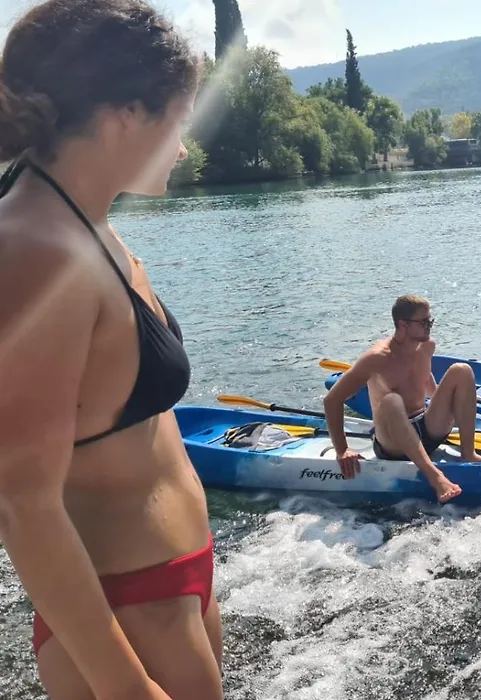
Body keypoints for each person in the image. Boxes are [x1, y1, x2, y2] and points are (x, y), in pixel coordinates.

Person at [0, 2, 222, 699]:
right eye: (178, 119)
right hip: (124, 606)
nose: (182, 147)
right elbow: (20, 499)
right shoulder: (33, 246)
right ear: (126, 112)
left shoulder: (82, 220)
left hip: (169, 583)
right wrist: (126, 688)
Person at [323, 295, 481, 503]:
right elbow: (332, 400)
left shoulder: (427, 346)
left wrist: (452, 406)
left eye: (430, 321)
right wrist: (342, 450)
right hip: (393, 443)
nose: (429, 327)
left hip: (427, 429)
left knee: (461, 370)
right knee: (392, 400)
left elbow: (425, 380)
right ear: (403, 324)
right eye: (424, 322)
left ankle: (468, 452)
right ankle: (435, 477)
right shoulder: (377, 357)